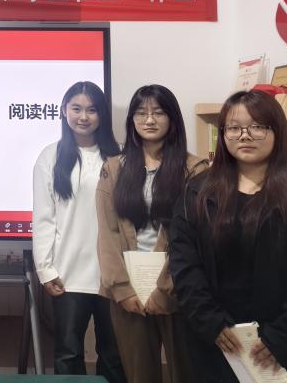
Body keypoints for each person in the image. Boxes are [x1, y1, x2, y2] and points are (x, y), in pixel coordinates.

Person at [169, 90, 287, 382]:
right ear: (223, 134)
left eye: (258, 126)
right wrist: (211, 322)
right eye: (234, 127)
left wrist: (283, 334)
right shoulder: (198, 191)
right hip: (216, 341)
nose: (245, 135)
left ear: (277, 130)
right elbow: (183, 263)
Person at [97, 84, 207, 383]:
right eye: (140, 113)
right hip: (129, 292)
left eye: (158, 112)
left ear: (172, 118)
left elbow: (193, 240)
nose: (148, 120)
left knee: (187, 372)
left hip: (177, 289)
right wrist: (122, 289)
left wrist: (165, 290)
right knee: (139, 374)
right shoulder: (113, 168)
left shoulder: (194, 169)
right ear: (131, 119)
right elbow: (107, 233)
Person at [32, 81, 125, 382]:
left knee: (114, 354)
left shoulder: (120, 157)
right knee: (68, 353)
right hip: (67, 274)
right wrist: (46, 270)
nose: (83, 117)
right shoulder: (50, 157)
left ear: (101, 115)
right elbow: (44, 218)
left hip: (113, 274)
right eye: (76, 108)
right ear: (64, 110)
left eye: (91, 110)